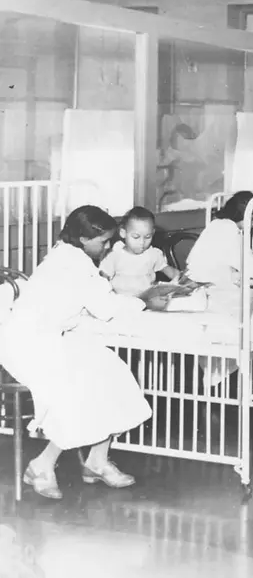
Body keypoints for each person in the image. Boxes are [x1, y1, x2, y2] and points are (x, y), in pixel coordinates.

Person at [0, 206, 165, 500]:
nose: (107, 247)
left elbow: (88, 301)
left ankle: (97, 460)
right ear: (82, 238)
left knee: (109, 367)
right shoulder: (73, 264)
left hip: (50, 337)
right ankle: (42, 464)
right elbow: (105, 308)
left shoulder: (69, 254)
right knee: (77, 384)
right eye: (102, 242)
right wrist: (145, 301)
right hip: (26, 344)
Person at [99, 206, 180, 297]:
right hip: (121, 300)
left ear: (153, 233)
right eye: (136, 237)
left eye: (147, 237)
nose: (142, 242)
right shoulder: (115, 255)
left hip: (147, 300)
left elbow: (170, 271)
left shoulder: (153, 254)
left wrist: (180, 279)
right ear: (123, 233)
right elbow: (102, 279)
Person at [185, 190, 253, 289]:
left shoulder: (217, 224)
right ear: (243, 215)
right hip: (208, 284)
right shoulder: (230, 229)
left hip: (194, 279)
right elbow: (250, 268)